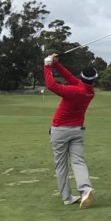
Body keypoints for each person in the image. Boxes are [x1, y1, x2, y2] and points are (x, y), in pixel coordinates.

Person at [44, 53, 98, 209]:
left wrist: (47, 65)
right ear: (94, 79)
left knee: (61, 165)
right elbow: (70, 78)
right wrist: (56, 64)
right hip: (77, 131)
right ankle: (85, 190)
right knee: (78, 161)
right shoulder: (89, 91)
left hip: (60, 130)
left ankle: (67, 197)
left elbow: (51, 85)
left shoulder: (75, 91)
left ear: (81, 77)